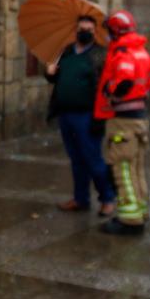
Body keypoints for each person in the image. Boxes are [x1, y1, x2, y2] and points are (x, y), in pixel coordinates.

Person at [94, 10, 150, 236]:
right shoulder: (141, 51)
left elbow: (124, 80)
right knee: (137, 167)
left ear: (115, 31)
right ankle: (139, 211)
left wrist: (109, 91)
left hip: (123, 121)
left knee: (122, 167)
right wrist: (142, 94)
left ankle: (129, 221)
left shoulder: (122, 53)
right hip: (140, 119)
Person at [45, 16, 116, 217]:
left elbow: (105, 86)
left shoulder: (99, 55)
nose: (85, 32)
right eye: (82, 28)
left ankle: (107, 199)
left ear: (95, 32)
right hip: (66, 114)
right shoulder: (66, 52)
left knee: (93, 159)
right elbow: (55, 76)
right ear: (75, 30)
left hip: (88, 116)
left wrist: (100, 116)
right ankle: (80, 198)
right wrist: (49, 72)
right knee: (76, 159)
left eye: (89, 29)